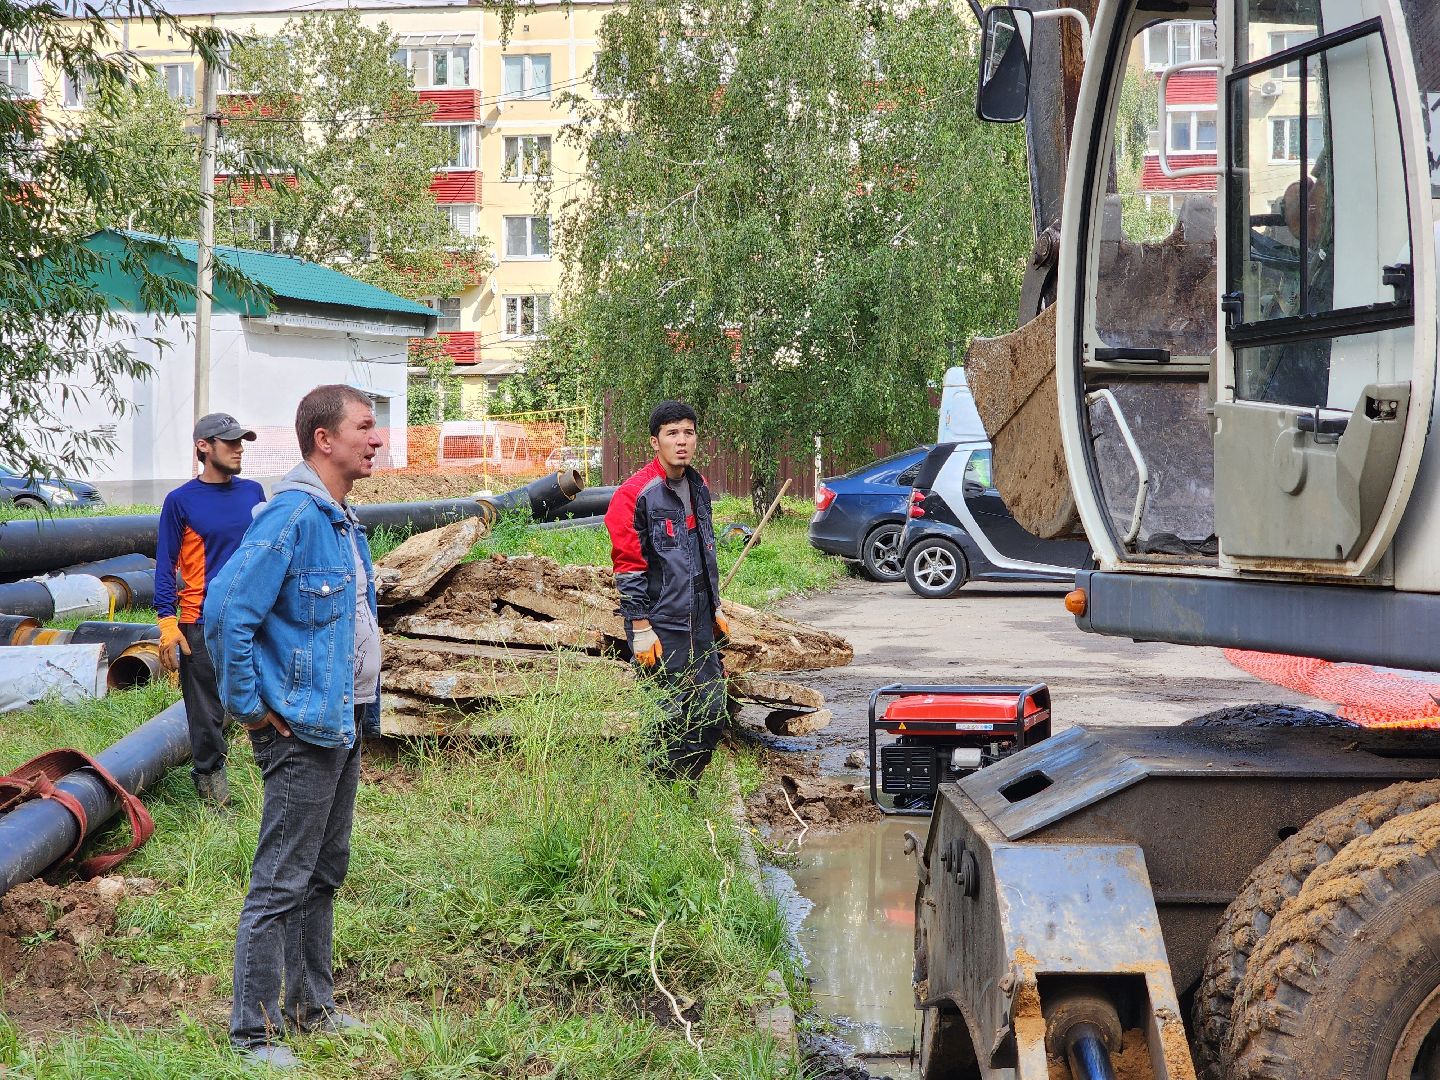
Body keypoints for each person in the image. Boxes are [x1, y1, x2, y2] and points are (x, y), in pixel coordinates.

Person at [205, 384, 384, 1070]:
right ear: (324, 439)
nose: (376, 439)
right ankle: (252, 1033)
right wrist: (252, 708)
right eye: (364, 428)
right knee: (281, 880)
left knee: (322, 873)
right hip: (299, 733)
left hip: (340, 725)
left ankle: (313, 1009)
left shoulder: (341, 516)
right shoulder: (291, 516)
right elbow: (225, 614)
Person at [604, 400, 729, 781]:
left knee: (710, 710)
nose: (682, 441)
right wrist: (639, 626)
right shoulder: (635, 494)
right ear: (654, 442)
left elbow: (704, 550)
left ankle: (683, 787)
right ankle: (660, 793)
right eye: (672, 433)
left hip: (699, 618)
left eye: (688, 433)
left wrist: (716, 606)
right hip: (659, 623)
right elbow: (628, 567)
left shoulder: (698, 485)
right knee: (669, 713)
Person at [155, 413, 265, 809]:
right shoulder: (181, 501)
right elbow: (166, 565)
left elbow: (267, 555)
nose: (239, 449)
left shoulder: (254, 492)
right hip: (200, 621)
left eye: (241, 441)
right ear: (204, 446)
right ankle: (212, 789)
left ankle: (274, 780)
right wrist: (168, 624)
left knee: (262, 696)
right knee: (206, 712)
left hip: (253, 617)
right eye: (230, 441)